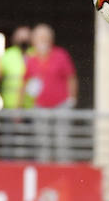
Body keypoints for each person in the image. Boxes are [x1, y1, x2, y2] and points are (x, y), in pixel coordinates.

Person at [21, 24, 77, 161]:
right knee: (42, 140)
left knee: (62, 139)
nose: (43, 41)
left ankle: (64, 167)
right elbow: (25, 82)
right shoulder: (31, 59)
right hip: (40, 105)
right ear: (34, 41)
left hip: (61, 104)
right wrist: (22, 103)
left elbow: (71, 77)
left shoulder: (60, 55)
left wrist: (72, 98)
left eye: (45, 38)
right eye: (39, 38)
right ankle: (44, 168)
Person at [0, 25, 32, 111]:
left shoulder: (36, 55)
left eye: (26, 37)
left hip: (31, 105)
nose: (23, 40)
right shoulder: (7, 55)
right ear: (14, 38)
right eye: (20, 37)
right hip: (10, 104)